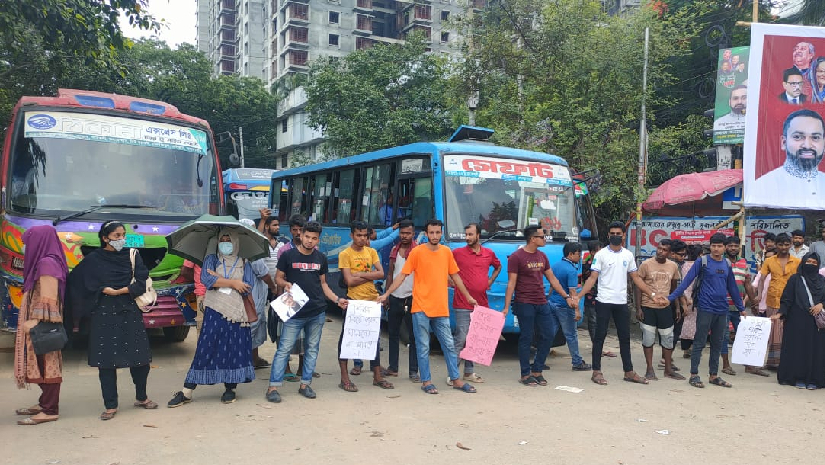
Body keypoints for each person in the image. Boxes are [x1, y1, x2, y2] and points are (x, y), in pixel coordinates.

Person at [378, 219, 478, 395]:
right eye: (431, 232)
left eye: (438, 232)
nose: (434, 236)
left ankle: (455, 379)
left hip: (441, 308)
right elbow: (402, 276)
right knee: (423, 346)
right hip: (421, 308)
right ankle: (426, 381)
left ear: (441, 233)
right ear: (426, 234)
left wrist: (468, 297)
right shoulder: (417, 252)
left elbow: (456, 278)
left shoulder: (447, 252)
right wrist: (387, 294)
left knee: (448, 345)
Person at [69, 221, 156, 420]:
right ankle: (110, 405)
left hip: (129, 309)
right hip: (104, 312)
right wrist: (101, 290)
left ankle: (141, 397)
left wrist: (122, 290)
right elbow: (78, 282)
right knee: (106, 361)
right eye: (117, 236)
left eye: (123, 235)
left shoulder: (132, 255)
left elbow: (142, 282)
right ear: (105, 238)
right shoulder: (94, 259)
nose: (121, 239)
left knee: (140, 358)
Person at [168, 229, 257, 407]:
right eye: (222, 239)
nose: (225, 243)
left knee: (234, 350)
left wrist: (221, 279)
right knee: (205, 348)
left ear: (236, 242)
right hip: (214, 311)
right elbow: (207, 280)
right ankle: (187, 391)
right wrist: (233, 283)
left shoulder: (244, 262)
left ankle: (230, 389)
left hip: (237, 314)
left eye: (229, 239)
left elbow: (248, 286)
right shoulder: (211, 258)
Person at [268, 222, 347, 403]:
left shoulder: (321, 258)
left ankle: (305, 384)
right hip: (294, 312)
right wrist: (285, 284)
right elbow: (278, 277)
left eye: (314, 238)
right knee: (284, 350)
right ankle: (273, 386)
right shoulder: (288, 256)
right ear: (301, 236)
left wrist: (336, 300)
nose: (310, 241)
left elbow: (324, 284)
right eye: (307, 237)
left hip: (316, 312)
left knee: (312, 349)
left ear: (318, 239)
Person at [579, 221, 662, 386]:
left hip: (621, 302)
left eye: (619, 234)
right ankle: (596, 372)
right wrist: (579, 295)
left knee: (625, 338)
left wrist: (652, 295)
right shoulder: (601, 254)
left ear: (624, 235)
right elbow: (592, 278)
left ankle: (629, 372)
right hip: (603, 301)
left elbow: (636, 278)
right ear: (608, 235)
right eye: (613, 233)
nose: (615, 236)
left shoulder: (628, 255)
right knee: (599, 337)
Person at [503, 225, 581, 387]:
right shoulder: (517, 257)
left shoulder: (543, 257)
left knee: (547, 335)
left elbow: (553, 280)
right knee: (526, 337)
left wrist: (566, 296)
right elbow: (511, 284)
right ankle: (525, 374)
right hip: (524, 303)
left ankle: (537, 370)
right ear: (532, 239)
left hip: (542, 302)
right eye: (542, 237)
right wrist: (505, 307)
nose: (545, 239)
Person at [668, 233, 746, 389]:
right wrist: (670, 298)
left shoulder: (727, 265)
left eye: (719, 246)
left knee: (717, 343)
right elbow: (685, 283)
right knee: (699, 342)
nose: (716, 249)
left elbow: (732, 288)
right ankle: (694, 375)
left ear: (724, 248)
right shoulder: (702, 262)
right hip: (705, 308)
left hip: (722, 309)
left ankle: (714, 375)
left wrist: (741, 308)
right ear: (710, 246)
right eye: (713, 246)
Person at [14, 226, 69, 426]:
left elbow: (49, 298)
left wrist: (35, 323)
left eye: (28, 244)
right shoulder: (48, 261)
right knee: (40, 363)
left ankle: (49, 410)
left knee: (47, 366)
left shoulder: (47, 263)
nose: (26, 248)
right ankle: (43, 403)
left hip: (43, 324)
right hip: (41, 322)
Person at [337, 221, 393, 392]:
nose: (362, 239)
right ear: (352, 235)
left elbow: (382, 274)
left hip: (372, 301)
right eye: (358, 235)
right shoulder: (345, 254)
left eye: (365, 235)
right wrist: (370, 276)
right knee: (347, 338)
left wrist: (360, 274)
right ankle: (344, 377)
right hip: (353, 301)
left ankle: (377, 376)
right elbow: (349, 281)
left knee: (373, 338)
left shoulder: (372, 251)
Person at [450, 223, 502, 384]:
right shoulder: (457, 253)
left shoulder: (488, 253)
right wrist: (452, 282)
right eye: (466, 234)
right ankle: (453, 374)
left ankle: (469, 372)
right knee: (461, 338)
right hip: (462, 302)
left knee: (474, 340)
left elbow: (498, 266)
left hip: (481, 303)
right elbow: (446, 269)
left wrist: (490, 280)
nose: (467, 237)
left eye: (471, 234)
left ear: (478, 235)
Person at [772, 252, 825, 389]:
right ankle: (798, 377)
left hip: (816, 324)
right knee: (798, 349)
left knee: (816, 350)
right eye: (809, 262)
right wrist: (780, 314)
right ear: (803, 262)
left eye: (814, 263)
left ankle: (814, 379)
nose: (811, 265)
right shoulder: (795, 279)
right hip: (797, 321)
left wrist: (821, 305)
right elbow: (787, 299)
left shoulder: (822, 280)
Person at [635, 239, 683, 381]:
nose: (660, 251)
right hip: (648, 307)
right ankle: (649, 369)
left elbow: (674, 287)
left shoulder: (673, 266)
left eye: (664, 250)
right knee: (648, 338)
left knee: (668, 338)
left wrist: (677, 306)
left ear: (670, 252)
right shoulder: (646, 265)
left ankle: (668, 369)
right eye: (659, 248)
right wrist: (638, 308)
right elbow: (638, 287)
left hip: (666, 307)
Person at [752, 109, 825, 203]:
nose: (807, 145)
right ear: (784, 142)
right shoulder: (764, 185)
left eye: (815, 138)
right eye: (798, 137)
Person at [719, 236, 764, 377]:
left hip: (740, 307)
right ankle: (726, 365)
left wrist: (753, 303)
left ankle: (748, 365)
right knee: (724, 336)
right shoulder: (721, 262)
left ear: (739, 247)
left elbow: (747, 284)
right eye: (730, 245)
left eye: (735, 246)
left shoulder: (743, 262)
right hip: (722, 306)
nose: (733, 248)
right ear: (725, 247)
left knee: (745, 336)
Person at [239, 218, 279, 368]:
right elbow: (263, 273)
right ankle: (245, 361)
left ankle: (254, 359)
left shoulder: (238, 246)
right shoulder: (251, 250)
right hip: (253, 296)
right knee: (252, 328)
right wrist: (273, 287)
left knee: (253, 329)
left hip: (249, 295)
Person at [758, 233, 801, 369]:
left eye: (787, 244)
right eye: (781, 244)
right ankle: (773, 363)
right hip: (773, 299)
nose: (784, 247)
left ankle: (787, 362)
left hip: (791, 301)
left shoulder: (797, 262)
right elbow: (761, 279)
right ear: (776, 245)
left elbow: (800, 281)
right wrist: (759, 296)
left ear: (791, 245)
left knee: (788, 332)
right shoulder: (769, 261)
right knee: (774, 332)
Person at [384, 220, 419, 382]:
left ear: (413, 234)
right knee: (393, 334)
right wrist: (387, 295)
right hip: (395, 297)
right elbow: (390, 273)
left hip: (412, 299)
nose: (404, 236)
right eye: (402, 233)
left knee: (414, 337)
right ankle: (393, 368)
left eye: (408, 233)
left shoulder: (418, 251)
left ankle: (413, 371)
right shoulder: (394, 250)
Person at [548, 242, 591, 372]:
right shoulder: (571, 270)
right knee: (571, 334)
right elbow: (573, 293)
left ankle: (540, 358)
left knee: (550, 333)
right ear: (571, 254)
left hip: (552, 303)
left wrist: (548, 299)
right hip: (564, 306)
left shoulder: (555, 266)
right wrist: (577, 310)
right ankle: (577, 362)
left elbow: (552, 286)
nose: (580, 257)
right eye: (578, 254)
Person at [582, 240, 616, 358]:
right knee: (593, 322)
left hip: (604, 296)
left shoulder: (604, 262)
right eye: (598, 250)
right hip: (592, 297)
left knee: (601, 322)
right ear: (592, 252)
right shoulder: (588, 265)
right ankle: (596, 347)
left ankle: (598, 346)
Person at [676, 245, 702, 359]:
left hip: (684, 296)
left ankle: (686, 349)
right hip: (694, 297)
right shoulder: (699, 266)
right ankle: (692, 348)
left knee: (685, 323)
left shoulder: (683, 265)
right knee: (696, 323)